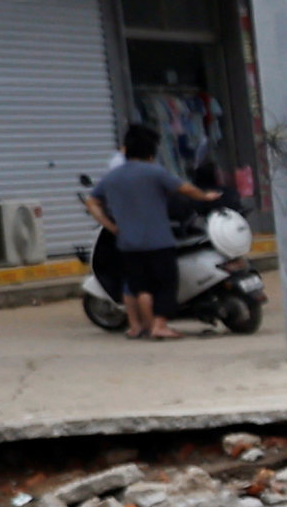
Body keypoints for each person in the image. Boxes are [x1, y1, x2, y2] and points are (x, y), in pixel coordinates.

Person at [82, 122, 218, 342]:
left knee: (138, 285)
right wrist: (205, 197)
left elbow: (91, 201)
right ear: (151, 151)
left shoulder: (112, 177)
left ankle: (139, 326)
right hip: (158, 241)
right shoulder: (154, 172)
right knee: (165, 283)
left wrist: (109, 225)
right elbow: (184, 188)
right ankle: (159, 325)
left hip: (127, 242)